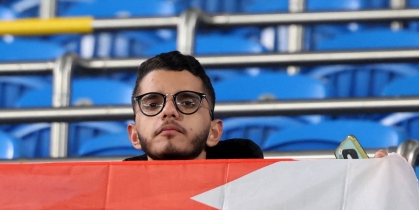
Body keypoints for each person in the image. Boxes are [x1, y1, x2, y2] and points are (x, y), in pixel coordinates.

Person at [125, 51, 387, 161]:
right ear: (134, 134)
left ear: (215, 132)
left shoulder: (258, 190)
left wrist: (369, 190)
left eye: (187, 102)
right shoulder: (107, 201)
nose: (169, 111)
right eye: (152, 103)